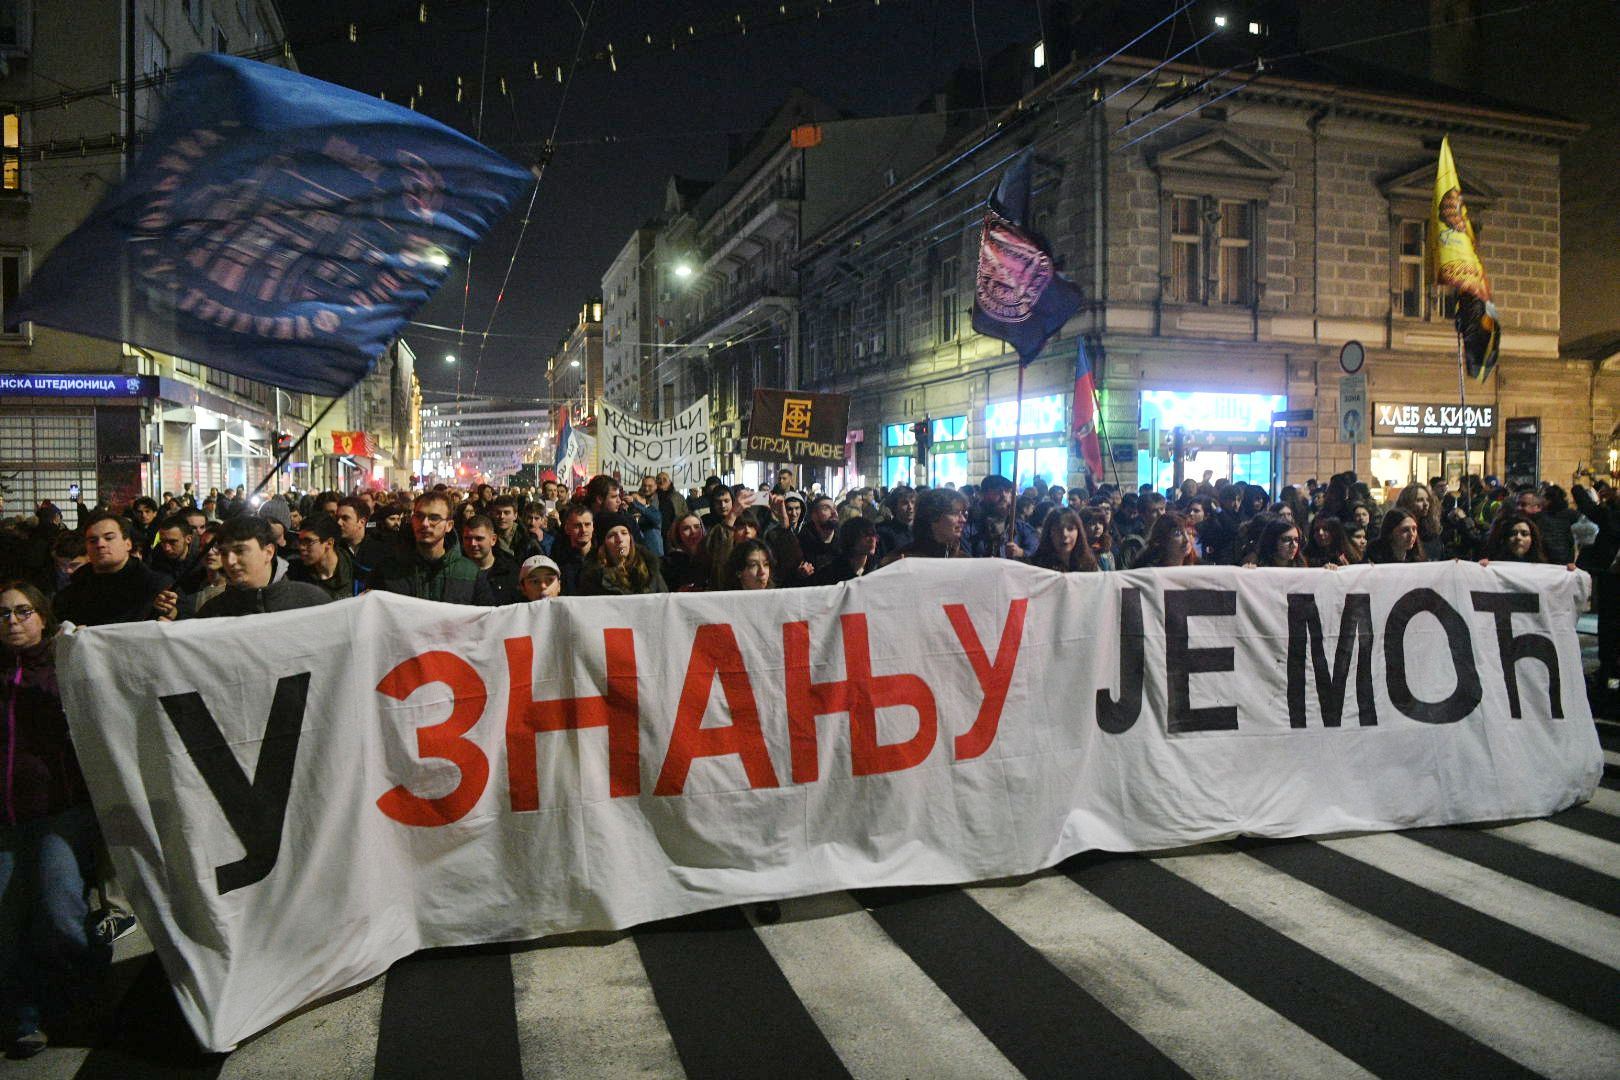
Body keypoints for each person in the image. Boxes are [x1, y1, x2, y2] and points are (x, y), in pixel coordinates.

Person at [0, 582, 110, 1059]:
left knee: (60, 912)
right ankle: (23, 1016)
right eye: (2, 614)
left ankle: (83, 988)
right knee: (6, 922)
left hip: (60, 813)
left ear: (42, 616)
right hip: (5, 822)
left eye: (23, 611)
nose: (12, 621)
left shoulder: (67, 664)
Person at [366, 494, 495, 605]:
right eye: (419, 516)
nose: (425, 524)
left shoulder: (471, 573)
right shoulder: (387, 570)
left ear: (449, 525)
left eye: (434, 518)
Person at [54, 514, 181, 627]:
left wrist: (172, 614)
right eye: (93, 541)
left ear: (128, 544)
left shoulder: (156, 586)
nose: (100, 544)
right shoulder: (75, 588)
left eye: (109, 538)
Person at [193, 516, 332, 617]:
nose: (230, 561)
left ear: (268, 552)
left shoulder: (311, 602)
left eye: (240, 551)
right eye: (224, 552)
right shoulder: (212, 613)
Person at [579, 516, 667, 596]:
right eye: (612, 536)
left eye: (624, 533)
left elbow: (663, 600)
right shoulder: (593, 575)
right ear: (603, 544)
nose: (620, 539)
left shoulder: (650, 567)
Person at [882, 488, 968, 563]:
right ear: (933, 515)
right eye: (955, 513)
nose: (963, 520)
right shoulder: (900, 561)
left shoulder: (964, 561)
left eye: (963, 513)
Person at [287, 514, 361, 600]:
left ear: (329, 543)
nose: (301, 547)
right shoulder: (293, 574)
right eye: (300, 541)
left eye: (308, 541)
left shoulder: (357, 575)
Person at [961, 475, 1037, 559]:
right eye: (997, 491)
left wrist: (1021, 552)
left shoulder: (1020, 527)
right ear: (983, 495)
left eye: (1008, 491)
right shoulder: (970, 529)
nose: (1004, 495)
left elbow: (1035, 548)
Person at [459, 516, 521, 605]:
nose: (472, 544)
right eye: (467, 538)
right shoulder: (456, 571)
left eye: (479, 538)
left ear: (493, 539)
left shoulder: (511, 572)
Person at [811, 517, 882, 585]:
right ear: (851, 538)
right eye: (866, 535)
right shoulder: (831, 573)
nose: (872, 540)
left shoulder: (877, 569)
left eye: (873, 535)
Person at [1029, 509, 1099, 572]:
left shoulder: (1088, 562)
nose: (1064, 534)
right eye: (1058, 529)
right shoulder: (1036, 565)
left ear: (1079, 532)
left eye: (1070, 529)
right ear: (1049, 533)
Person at [551, 504, 596, 596]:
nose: (583, 530)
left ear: (593, 527)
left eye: (587, 524)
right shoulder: (558, 562)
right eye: (577, 526)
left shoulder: (603, 558)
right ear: (567, 529)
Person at [1132, 511, 1199, 569]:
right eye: (1178, 534)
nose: (1187, 540)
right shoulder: (1147, 572)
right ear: (1161, 540)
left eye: (1189, 533)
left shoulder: (1199, 567)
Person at [661, 514, 709, 592]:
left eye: (696, 527)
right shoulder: (669, 563)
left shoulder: (711, 556)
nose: (693, 532)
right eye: (686, 528)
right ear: (678, 533)